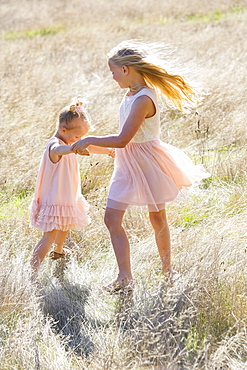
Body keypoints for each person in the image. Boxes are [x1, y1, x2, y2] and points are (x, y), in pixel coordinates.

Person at [72, 40, 210, 293]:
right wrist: (99, 149)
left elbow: (124, 138)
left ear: (126, 70)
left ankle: (168, 271)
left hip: (147, 161)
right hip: (127, 161)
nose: (112, 77)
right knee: (112, 218)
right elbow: (124, 141)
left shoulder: (144, 99)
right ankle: (125, 278)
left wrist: (90, 140)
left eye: (113, 71)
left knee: (157, 217)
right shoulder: (129, 94)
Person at [30, 101, 114, 278]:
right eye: (77, 138)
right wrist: (72, 149)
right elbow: (58, 150)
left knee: (66, 223)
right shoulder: (55, 145)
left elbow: (89, 146)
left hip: (66, 195)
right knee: (50, 235)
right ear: (63, 131)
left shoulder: (70, 141)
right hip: (54, 197)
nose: (78, 142)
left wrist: (107, 151)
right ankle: (32, 270)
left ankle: (59, 250)